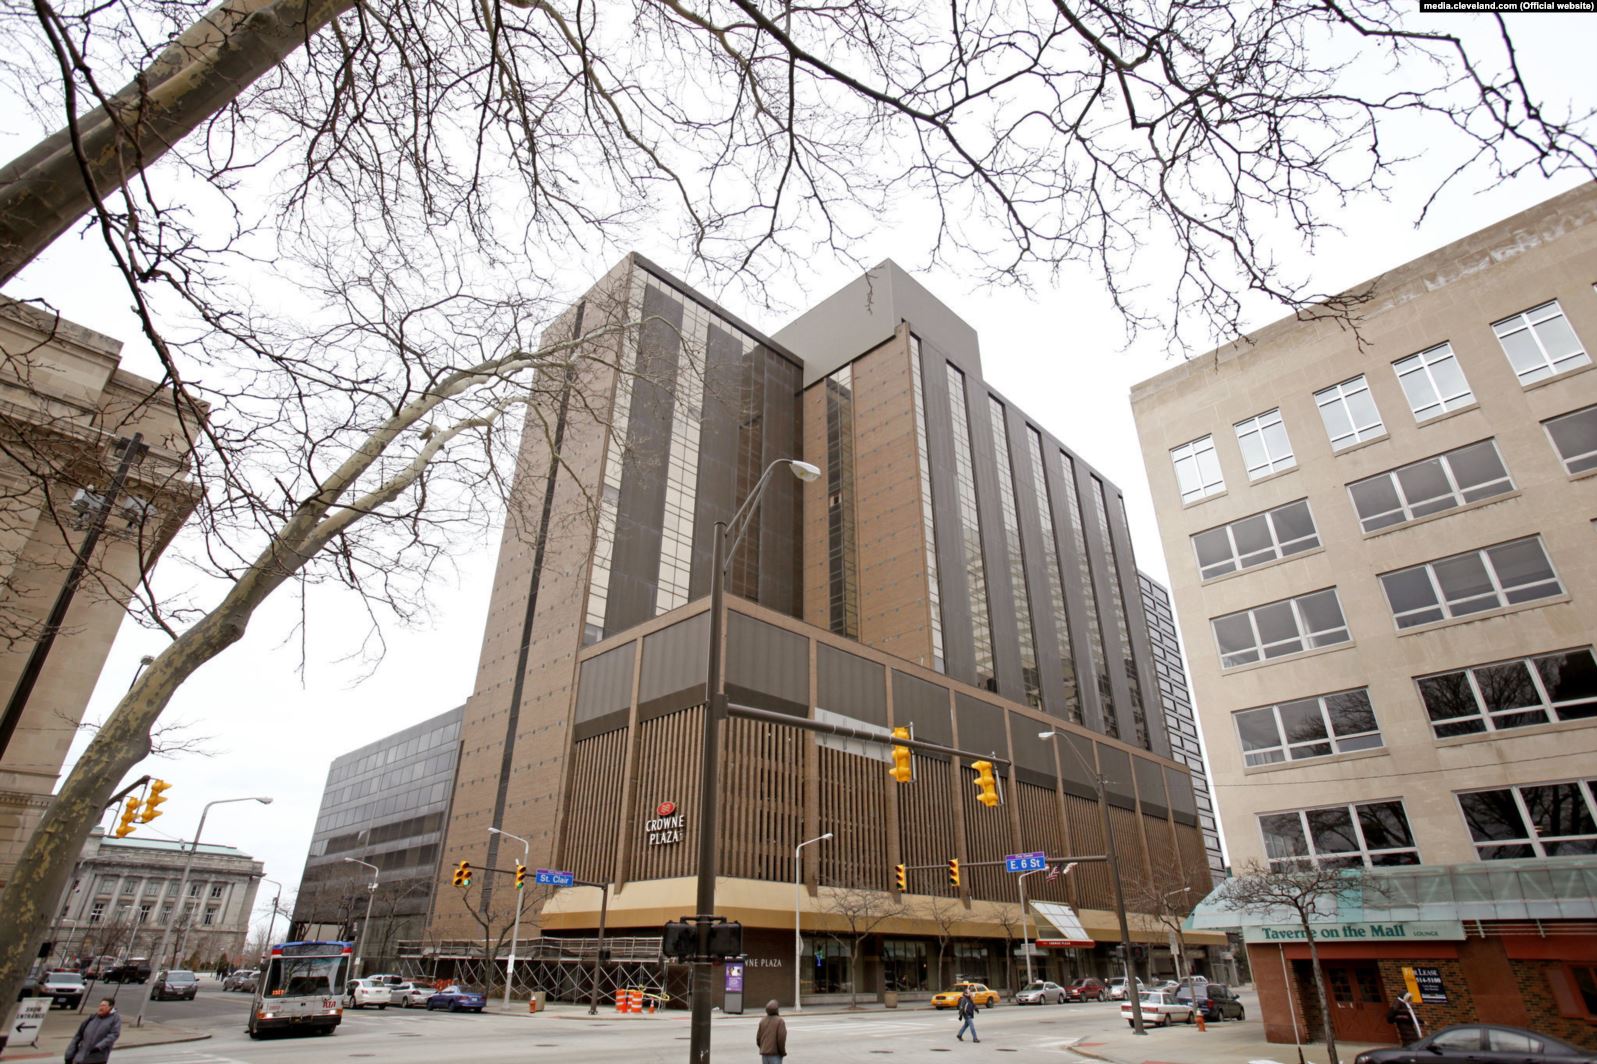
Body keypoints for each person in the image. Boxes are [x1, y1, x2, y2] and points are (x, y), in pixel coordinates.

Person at [65, 998, 122, 1064]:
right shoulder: (92, 1017)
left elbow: (114, 1034)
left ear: (110, 1007)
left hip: (98, 1058)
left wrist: (99, 1047)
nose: (101, 1007)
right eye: (100, 1005)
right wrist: (69, 1054)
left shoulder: (115, 1018)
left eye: (104, 1005)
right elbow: (78, 1035)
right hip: (81, 1056)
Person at [756, 999, 787, 1063]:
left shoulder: (762, 1021)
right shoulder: (780, 1021)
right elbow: (781, 1039)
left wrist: (763, 1048)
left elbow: (758, 1038)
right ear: (777, 1009)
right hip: (775, 1054)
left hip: (764, 1054)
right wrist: (782, 1052)